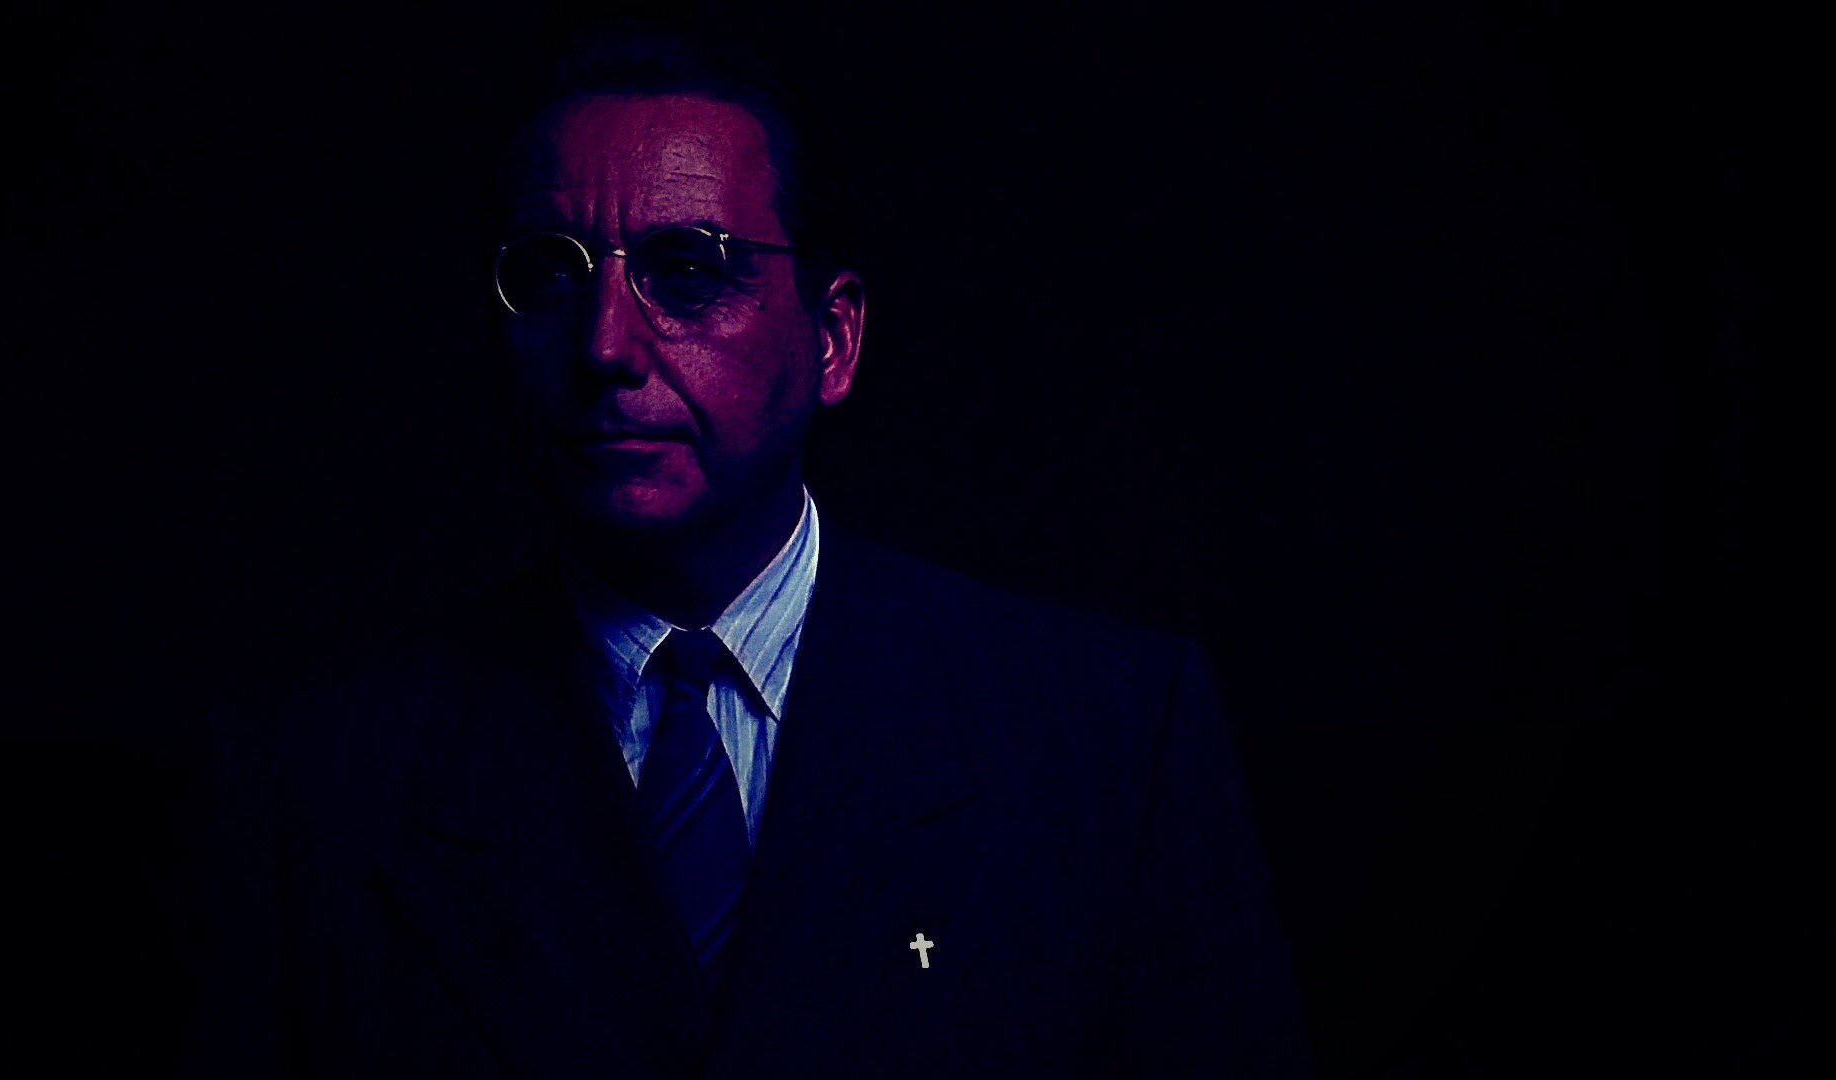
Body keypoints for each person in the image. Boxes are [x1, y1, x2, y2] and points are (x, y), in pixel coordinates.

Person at [186, 23, 1311, 1078]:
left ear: (834, 339)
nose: (605, 346)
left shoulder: (1110, 737)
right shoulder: (309, 785)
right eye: (548, 272)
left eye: (688, 267)